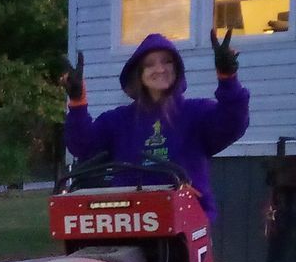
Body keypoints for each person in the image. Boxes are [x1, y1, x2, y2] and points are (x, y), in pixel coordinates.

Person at [61, 30, 249, 221]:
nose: (160, 69)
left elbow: (233, 123)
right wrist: (77, 101)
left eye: (167, 61)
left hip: (187, 222)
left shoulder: (196, 112)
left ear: (176, 68)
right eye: (150, 64)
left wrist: (228, 78)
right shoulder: (117, 121)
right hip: (132, 220)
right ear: (139, 74)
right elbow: (82, 146)